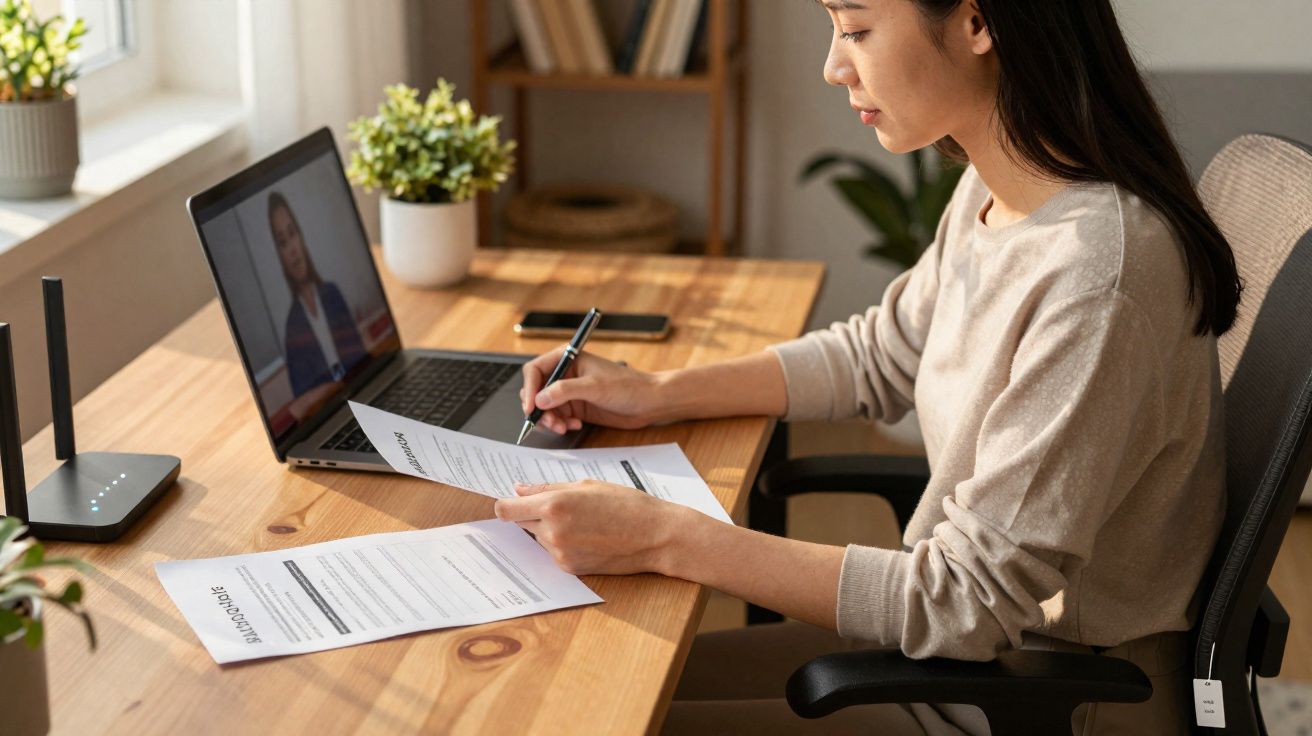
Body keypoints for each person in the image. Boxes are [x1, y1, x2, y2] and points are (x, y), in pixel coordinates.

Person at [496, 0, 1241, 733]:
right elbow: (879, 354)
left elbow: (968, 601)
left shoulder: (1096, 274)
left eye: (855, 29)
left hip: (1041, 697)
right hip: (962, 665)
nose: (832, 66)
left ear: (978, 23)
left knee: (592, 714)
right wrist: (655, 393)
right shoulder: (1002, 182)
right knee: (575, 696)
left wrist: (666, 537)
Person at [267, 191, 367, 416]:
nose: (291, 249)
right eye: (282, 242)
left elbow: (361, 359)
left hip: (362, 396)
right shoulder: (293, 327)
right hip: (328, 414)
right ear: (280, 255)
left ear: (301, 237)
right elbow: (303, 405)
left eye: (292, 234)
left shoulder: (332, 294)